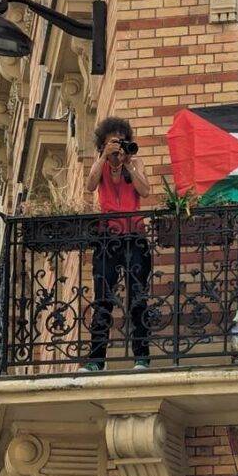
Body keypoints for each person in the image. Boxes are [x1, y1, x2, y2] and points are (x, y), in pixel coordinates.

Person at [83, 117, 152, 371]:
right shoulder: (100, 165)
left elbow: (144, 192)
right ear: (103, 144)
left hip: (134, 236)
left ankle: (142, 357)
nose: (119, 146)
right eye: (113, 141)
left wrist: (129, 165)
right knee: (103, 298)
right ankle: (96, 360)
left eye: (122, 141)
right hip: (107, 237)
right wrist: (104, 156)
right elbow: (90, 185)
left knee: (138, 298)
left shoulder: (135, 163)